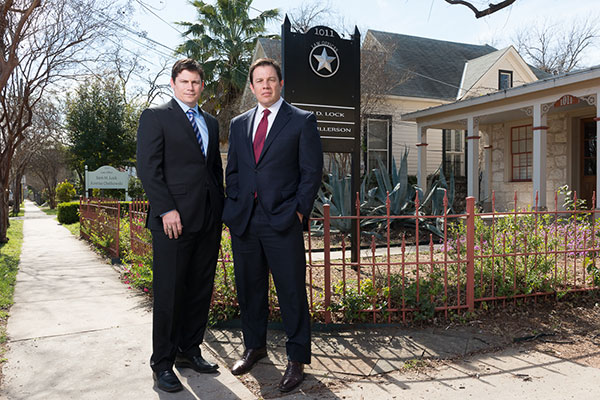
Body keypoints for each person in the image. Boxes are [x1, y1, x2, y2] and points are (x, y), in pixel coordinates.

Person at [223, 58, 323, 393]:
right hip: (246, 221)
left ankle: (297, 360)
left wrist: (298, 211)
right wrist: (234, 204)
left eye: (271, 80)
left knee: (291, 291)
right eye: (259, 81)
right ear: (252, 87)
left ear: (280, 84)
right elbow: (234, 171)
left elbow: (311, 172)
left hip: (282, 219)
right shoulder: (239, 124)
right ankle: (254, 347)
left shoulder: (301, 121)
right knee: (250, 290)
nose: (265, 85)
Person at [136, 58, 224, 393]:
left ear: (202, 86)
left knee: (199, 290)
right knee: (170, 293)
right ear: (173, 84)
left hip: (207, 220)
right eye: (184, 82)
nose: (190, 87)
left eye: (196, 82)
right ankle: (162, 363)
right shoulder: (156, 118)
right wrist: (166, 209)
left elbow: (212, 171)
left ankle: (190, 351)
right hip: (172, 222)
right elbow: (148, 168)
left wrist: (221, 209)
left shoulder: (211, 123)